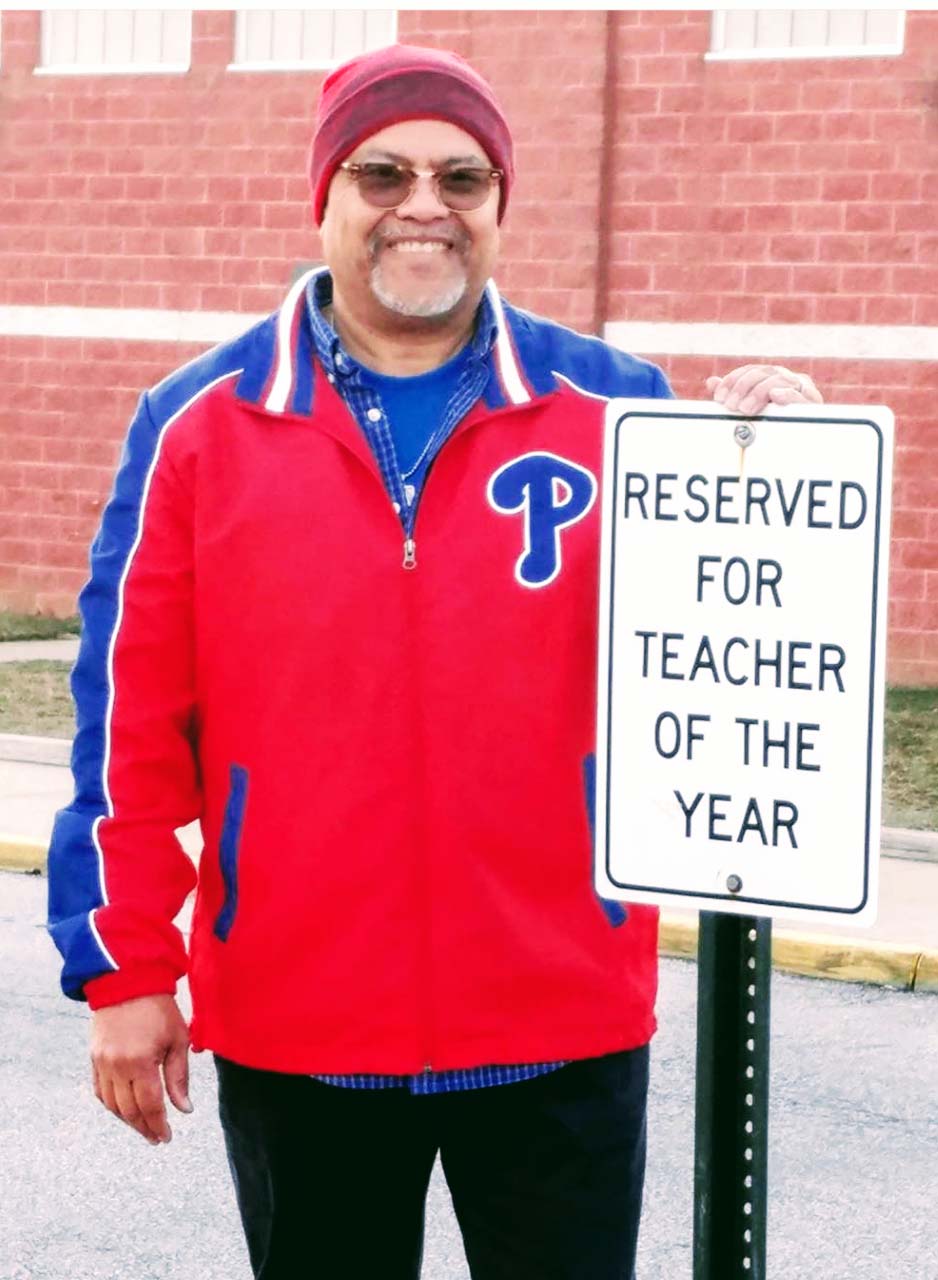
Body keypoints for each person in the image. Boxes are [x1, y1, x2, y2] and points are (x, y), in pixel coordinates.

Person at [47, 43, 822, 1280]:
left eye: (462, 178)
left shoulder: (620, 408)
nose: (424, 204)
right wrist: (124, 970)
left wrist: (776, 458)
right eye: (384, 172)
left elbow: (726, 657)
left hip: (559, 1019)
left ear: (500, 205)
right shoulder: (196, 426)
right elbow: (127, 728)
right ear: (326, 195)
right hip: (301, 1031)